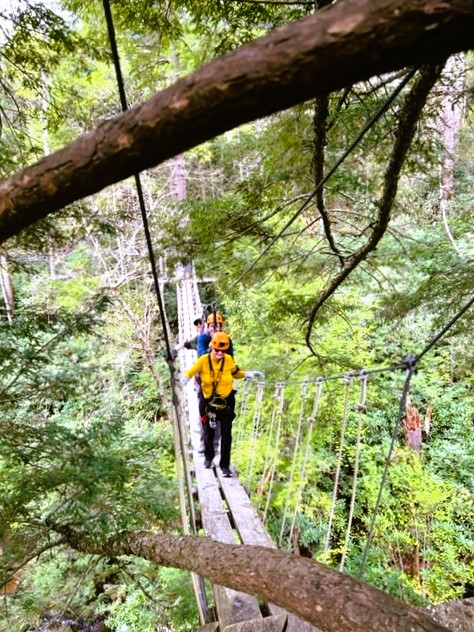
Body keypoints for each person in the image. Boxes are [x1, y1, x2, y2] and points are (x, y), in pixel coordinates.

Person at [181, 332, 264, 477]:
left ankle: (225, 466)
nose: (220, 353)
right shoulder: (203, 360)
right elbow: (190, 373)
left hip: (226, 402)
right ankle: (208, 457)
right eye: (217, 350)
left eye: (223, 350)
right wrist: (183, 380)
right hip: (209, 404)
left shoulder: (229, 360)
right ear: (211, 347)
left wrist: (247, 374)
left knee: (227, 433)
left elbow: (235, 372)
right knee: (209, 431)